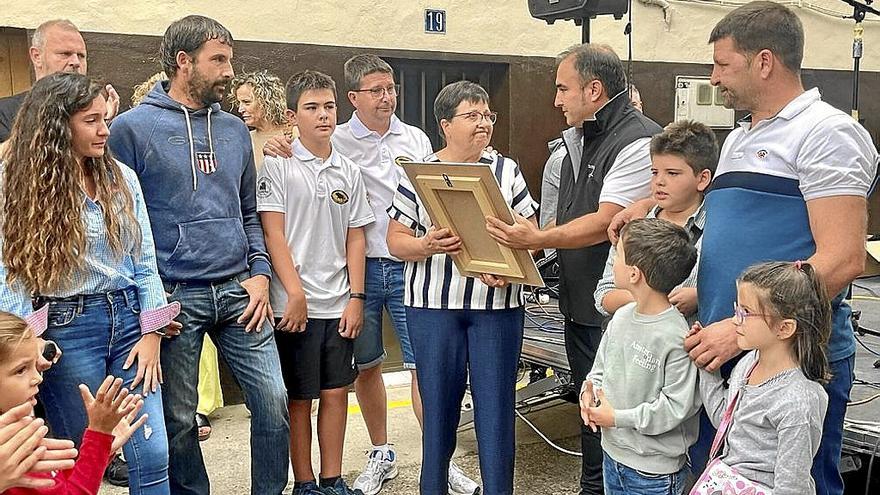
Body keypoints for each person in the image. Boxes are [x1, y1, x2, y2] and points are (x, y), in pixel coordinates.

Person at [608, 4, 878, 494]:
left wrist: (739, 332)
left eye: (722, 64)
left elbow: (842, 259)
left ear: (765, 62)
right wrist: (643, 206)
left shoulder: (827, 133)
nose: (713, 78)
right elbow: (731, 224)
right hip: (728, 352)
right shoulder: (740, 137)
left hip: (783, 361)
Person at [108, 15, 290, 495]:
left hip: (240, 291)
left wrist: (259, 273)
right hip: (174, 298)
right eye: (219, 60)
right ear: (183, 62)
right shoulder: (131, 128)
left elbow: (249, 211)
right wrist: (149, 303)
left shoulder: (233, 130)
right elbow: (123, 225)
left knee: (273, 402)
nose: (230, 71)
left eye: (229, 59)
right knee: (180, 421)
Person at [485, 44, 662, 495]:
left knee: (622, 410)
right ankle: (592, 486)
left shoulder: (637, 139)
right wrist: (524, 261)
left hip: (621, 307)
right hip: (581, 301)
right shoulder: (580, 137)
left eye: (563, 89)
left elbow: (606, 222)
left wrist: (537, 240)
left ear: (595, 89)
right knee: (590, 404)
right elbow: (561, 222)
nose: (557, 100)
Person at [0, 72, 175, 495]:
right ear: (59, 125)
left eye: (105, 118)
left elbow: (145, 263)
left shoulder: (122, 178)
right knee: (83, 458)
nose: (104, 130)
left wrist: (152, 331)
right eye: (91, 120)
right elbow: (11, 273)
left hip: (131, 324)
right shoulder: (14, 182)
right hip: (66, 329)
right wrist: (33, 344)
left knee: (152, 453)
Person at [387, 80, 538, 495]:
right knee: (437, 411)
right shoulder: (418, 172)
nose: (483, 124)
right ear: (445, 125)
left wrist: (510, 260)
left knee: (496, 410)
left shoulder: (506, 170)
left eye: (487, 115)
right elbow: (395, 239)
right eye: (471, 116)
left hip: (498, 305)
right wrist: (425, 244)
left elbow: (532, 230)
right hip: (432, 306)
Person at [258, 69, 372, 495]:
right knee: (299, 399)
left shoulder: (349, 170)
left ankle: (332, 478)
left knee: (337, 393)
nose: (323, 115)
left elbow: (356, 235)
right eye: (312, 108)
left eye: (329, 107)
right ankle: (304, 482)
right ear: (293, 115)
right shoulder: (278, 165)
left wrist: (356, 297)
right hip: (294, 305)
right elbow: (273, 233)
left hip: (339, 302)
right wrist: (294, 293)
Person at [580, 218, 700, 495]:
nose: (614, 261)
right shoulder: (621, 316)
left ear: (634, 274)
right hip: (612, 455)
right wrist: (589, 393)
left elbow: (675, 408)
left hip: (654, 472)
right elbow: (599, 370)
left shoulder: (674, 336)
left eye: (618, 254)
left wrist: (617, 418)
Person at [693, 261, 831, 495]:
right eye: (737, 309)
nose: (735, 320)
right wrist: (705, 364)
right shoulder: (750, 362)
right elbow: (725, 420)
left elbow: (792, 487)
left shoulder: (799, 402)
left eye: (745, 312)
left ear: (785, 328)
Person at [0, 312, 149, 495]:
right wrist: (99, 434)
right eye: (21, 370)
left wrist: (101, 449)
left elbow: (59, 481)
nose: (38, 378)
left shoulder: (18, 433)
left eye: (35, 366)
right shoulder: (11, 448)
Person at [594, 120, 716, 323]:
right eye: (654, 172)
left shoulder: (717, 228)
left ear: (702, 178)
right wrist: (656, 301)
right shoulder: (634, 225)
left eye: (672, 173)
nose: (659, 181)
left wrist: (702, 296)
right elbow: (604, 294)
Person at [0, 19, 119, 144]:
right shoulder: (4, 113)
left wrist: (103, 121)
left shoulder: (101, 113)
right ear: (37, 56)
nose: (76, 62)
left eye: (81, 56)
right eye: (65, 54)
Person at [230, 70, 296, 172]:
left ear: (267, 101)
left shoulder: (297, 133)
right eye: (239, 103)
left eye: (246, 102)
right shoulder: (245, 139)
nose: (240, 109)